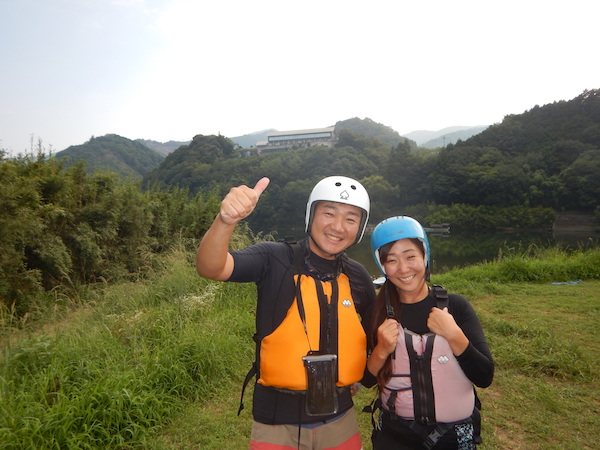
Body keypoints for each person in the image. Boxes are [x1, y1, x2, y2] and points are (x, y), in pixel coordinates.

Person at [196, 175, 376, 450]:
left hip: (340, 417)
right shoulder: (274, 258)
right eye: (329, 213)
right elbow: (212, 268)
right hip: (276, 422)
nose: (338, 227)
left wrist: (360, 379)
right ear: (311, 215)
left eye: (351, 219)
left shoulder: (357, 275)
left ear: (360, 228)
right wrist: (225, 221)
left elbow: (374, 332)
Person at [363, 216, 494, 450]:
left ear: (425, 256)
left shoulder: (456, 307)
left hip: (452, 436)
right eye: (391, 260)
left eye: (410, 256)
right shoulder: (377, 313)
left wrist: (454, 335)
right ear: (382, 266)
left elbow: (484, 377)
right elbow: (366, 380)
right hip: (395, 435)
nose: (403, 268)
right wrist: (381, 350)